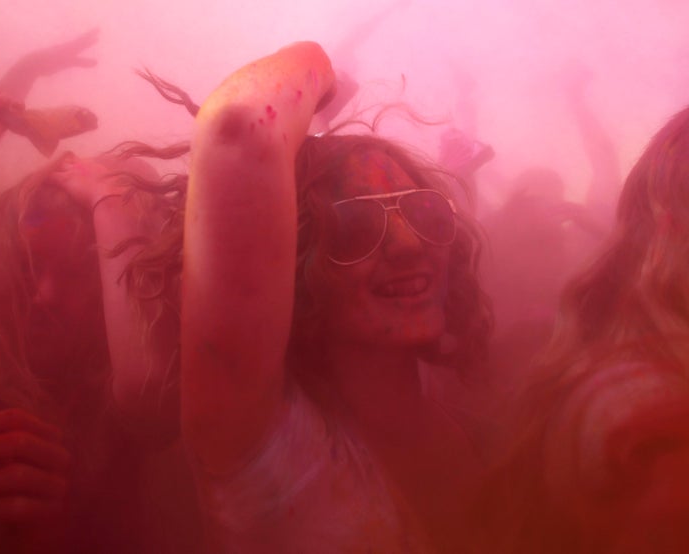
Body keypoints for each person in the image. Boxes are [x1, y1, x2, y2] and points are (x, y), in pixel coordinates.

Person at [181, 42, 492, 552]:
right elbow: (239, 125)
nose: (410, 244)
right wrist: (321, 66)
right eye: (354, 227)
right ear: (294, 269)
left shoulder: (476, 417)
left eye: (425, 213)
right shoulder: (262, 447)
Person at [476, 105, 689, 553]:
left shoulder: (589, 241)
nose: (551, 203)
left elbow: (626, 240)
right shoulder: (636, 403)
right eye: (537, 196)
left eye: (554, 191)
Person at [0, 150, 179, 553]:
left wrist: (59, 532)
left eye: (79, 273)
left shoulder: (156, 425)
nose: (44, 295)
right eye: (29, 265)